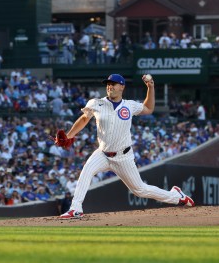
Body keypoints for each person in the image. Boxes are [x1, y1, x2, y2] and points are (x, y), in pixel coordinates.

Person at [58, 73, 194, 219]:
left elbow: (148, 109)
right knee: (86, 172)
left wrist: (150, 87)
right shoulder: (96, 103)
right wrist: (69, 135)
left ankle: (176, 196)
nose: (109, 86)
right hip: (102, 153)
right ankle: (75, 208)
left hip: (123, 156)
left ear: (122, 86)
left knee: (140, 190)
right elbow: (84, 119)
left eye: (113, 83)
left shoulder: (129, 105)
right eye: (108, 84)